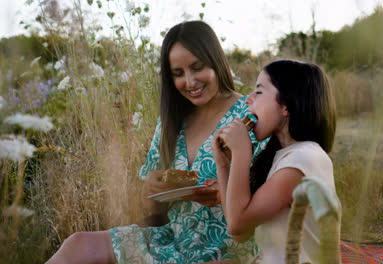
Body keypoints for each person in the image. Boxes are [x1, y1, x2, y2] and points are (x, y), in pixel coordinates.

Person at [46, 20, 266, 264]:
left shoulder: (250, 114)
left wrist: (225, 191)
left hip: (226, 251)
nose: (190, 82)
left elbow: (269, 201)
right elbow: (151, 210)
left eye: (197, 67)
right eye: (178, 74)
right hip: (170, 240)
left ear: (216, 61)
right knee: (77, 244)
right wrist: (150, 191)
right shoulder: (172, 120)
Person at [211, 59, 339, 264]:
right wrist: (224, 165)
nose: (247, 100)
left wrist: (242, 153)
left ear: (286, 106)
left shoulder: (303, 159)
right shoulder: (283, 156)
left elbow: (238, 224)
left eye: (259, 92)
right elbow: (238, 233)